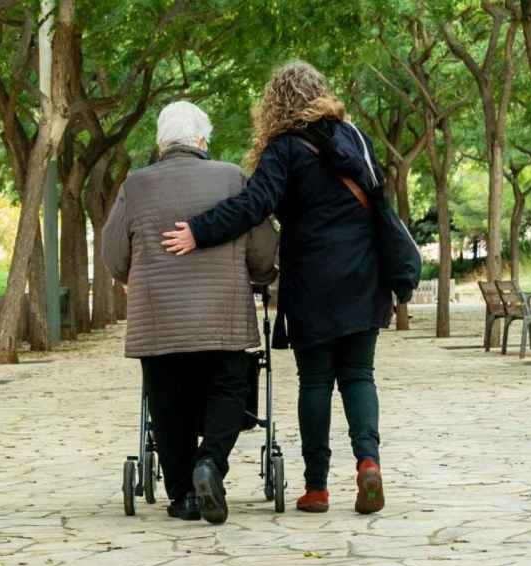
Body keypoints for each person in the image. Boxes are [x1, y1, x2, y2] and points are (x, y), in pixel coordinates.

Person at [161, 61, 392, 515]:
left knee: (317, 381)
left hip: (311, 280)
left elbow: (253, 206)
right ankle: (368, 462)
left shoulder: (283, 149)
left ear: (275, 103)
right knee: (360, 376)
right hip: (365, 276)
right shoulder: (357, 138)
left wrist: (199, 231)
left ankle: (317, 488)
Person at [101, 101, 277, 525]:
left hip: (158, 320)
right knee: (229, 389)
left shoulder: (136, 185)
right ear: (202, 141)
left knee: (167, 401)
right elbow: (262, 250)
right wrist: (261, 273)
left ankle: (182, 495)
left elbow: (112, 254)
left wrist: (131, 274)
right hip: (223, 316)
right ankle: (210, 465)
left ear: (162, 143)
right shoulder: (232, 177)